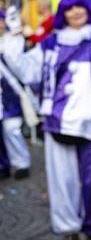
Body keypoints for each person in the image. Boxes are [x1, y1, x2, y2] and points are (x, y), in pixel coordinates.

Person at [3, 0, 91, 240]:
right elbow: (25, 68)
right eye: (69, 9)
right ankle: (68, 228)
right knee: (61, 181)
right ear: (62, 14)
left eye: (80, 7)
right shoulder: (51, 43)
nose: (76, 12)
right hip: (58, 121)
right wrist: (12, 37)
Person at [0, 9, 31, 180]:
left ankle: (21, 163)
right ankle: (3, 165)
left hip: (11, 93)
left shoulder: (13, 41)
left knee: (12, 129)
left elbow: (18, 63)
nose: (1, 25)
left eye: (2, 21)